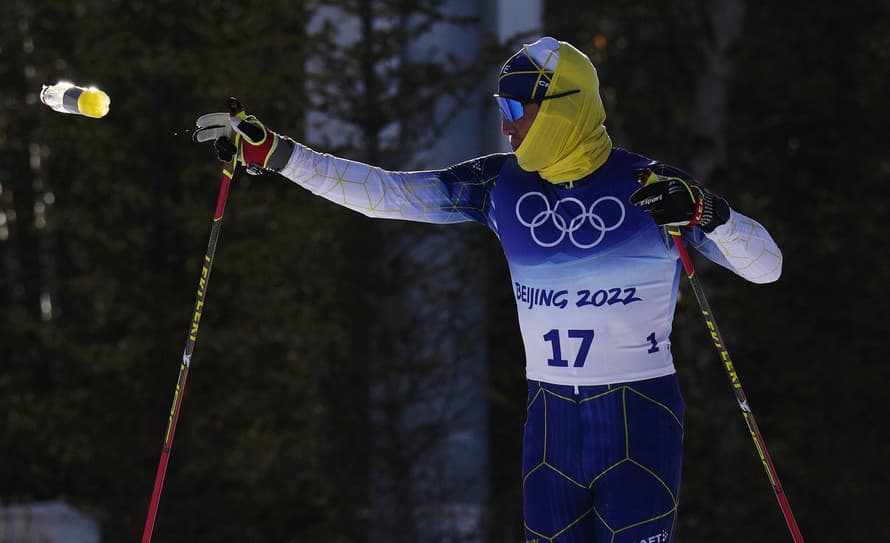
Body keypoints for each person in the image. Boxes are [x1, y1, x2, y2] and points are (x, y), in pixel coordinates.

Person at [194, 36, 782, 543]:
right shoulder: (500, 186)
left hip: (639, 416)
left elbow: (766, 267)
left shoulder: (651, 187)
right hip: (549, 423)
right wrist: (278, 155)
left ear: (559, 110)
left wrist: (709, 214)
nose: (504, 123)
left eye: (514, 107)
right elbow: (388, 195)